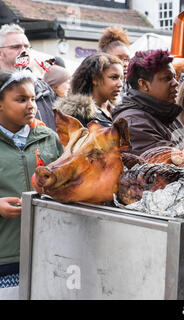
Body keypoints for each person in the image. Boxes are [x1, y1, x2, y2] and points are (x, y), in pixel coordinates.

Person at [0, 70, 63, 298]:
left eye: (33, 99)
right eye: (21, 99)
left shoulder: (48, 137)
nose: (31, 106)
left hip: (47, 252)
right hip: (5, 257)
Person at [112, 49, 184, 155]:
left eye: (175, 77)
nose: (176, 83)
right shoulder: (133, 123)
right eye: (167, 78)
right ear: (144, 84)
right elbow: (172, 161)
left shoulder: (164, 113)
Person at [0, 24, 57, 131]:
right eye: (16, 47)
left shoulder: (43, 87)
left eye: (26, 46)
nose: (23, 51)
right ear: (0, 53)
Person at [55, 53, 123, 127]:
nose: (120, 84)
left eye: (121, 78)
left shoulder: (118, 110)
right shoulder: (77, 116)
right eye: (114, 77)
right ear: (95, 79)